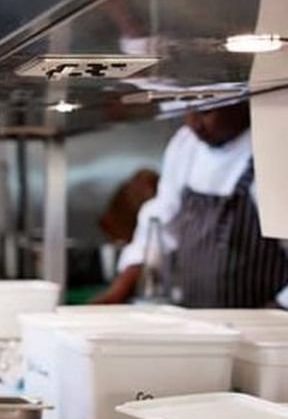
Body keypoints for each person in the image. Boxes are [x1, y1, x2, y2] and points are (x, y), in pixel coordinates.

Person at [93, 102, 288, 308]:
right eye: (188, 109)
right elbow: (160, 226)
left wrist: (272, 316)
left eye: (206, 111)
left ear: (241, 102)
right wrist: (117, 292)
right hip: (191, 320)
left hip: (259, 329)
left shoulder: (275, 151)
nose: (194, 123)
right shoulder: (186, 144)